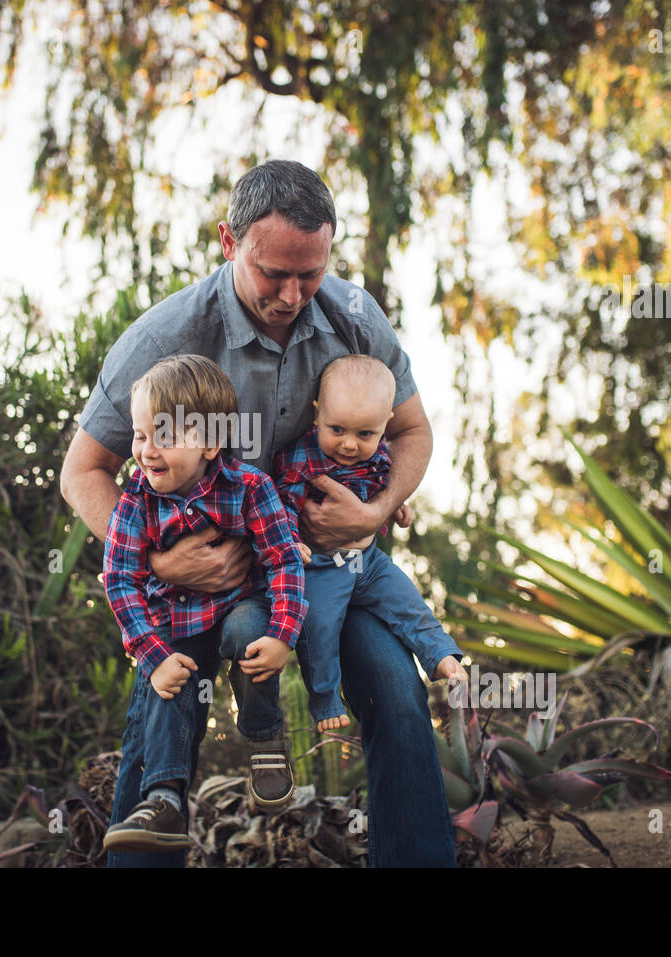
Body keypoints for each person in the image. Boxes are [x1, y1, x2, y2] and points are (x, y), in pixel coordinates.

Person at [61, 158, 462, 867]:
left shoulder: (355, 318)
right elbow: (83, 470)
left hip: (333, 571)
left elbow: (413, 431)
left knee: (399, 694)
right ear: (228, 241)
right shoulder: (165, 339)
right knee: (161, 715)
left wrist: (377, 510)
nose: (292, 293)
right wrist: (157, 560)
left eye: (310, 272)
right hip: (200, 591)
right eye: (273, 271)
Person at [100, 355, 308, 853]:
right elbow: (120, 579)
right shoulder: (135, 501)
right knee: (170, 684)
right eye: (139, 435)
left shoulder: (249, 487)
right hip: (177, 619)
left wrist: (283, 636)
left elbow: (283, 559)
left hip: (240, 607)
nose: (145, 451)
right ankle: (165, 798)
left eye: (163, 437)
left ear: (211, 443)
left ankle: (264, 738)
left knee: (247, 637)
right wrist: (153, 658)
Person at [274, 353, 465, 733]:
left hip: (367, 561)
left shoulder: (379, 453)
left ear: (384, 426)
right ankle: (325, 697)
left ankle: (442, 656)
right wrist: (289, 540)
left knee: (407, 601)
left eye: (365, 434)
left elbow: (380, 485)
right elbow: (279, 500)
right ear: (316, 415)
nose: (348, 444)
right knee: (319, 625)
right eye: (337, 429)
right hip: (323, 565)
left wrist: (396, 507)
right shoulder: (301, 456)